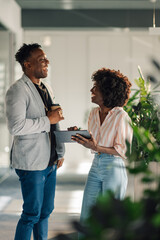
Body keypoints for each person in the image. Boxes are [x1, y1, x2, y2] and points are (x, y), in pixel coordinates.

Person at [5, 43, 65, 240]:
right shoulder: (17, 91)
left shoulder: (46, 87)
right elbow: (16, 127)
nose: (46, 62)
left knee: (46, 212)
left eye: (46, 58)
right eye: (41, 59)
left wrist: (60, 151)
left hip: (50, 160)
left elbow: (54, 121)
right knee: (32, 213)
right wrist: (48, 120)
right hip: (31, 162)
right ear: (27, 65)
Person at [71, 68, 133, 236]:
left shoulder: (121, 116)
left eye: (95, 87)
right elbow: (95, 140)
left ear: (106, 91)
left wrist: (96, 147)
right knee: (87, 213)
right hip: (96, 164)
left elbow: (122, 150)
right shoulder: (93, 113)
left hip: (113, 167)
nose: (92, 91)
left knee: (112, 217)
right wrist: (78, 134)